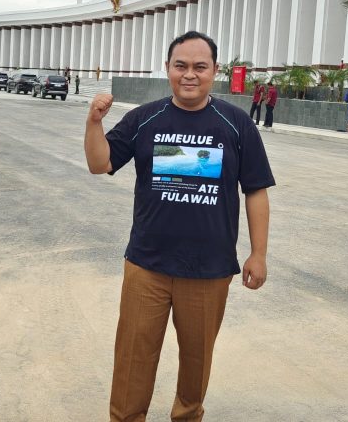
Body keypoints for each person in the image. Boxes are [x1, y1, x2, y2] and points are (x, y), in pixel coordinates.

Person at [84, 30, 275, 421]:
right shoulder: (145, 118)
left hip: (208, 269)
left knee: (196, 362)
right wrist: (93, 123)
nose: (190, 74)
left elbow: (255, 191)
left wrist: (258, 253)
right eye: (181, 66)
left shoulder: (236, 124)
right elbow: (99, 163)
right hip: (146, 265)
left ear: (215, 71)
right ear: (168, 69)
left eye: (199, 67)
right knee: (133, 359)